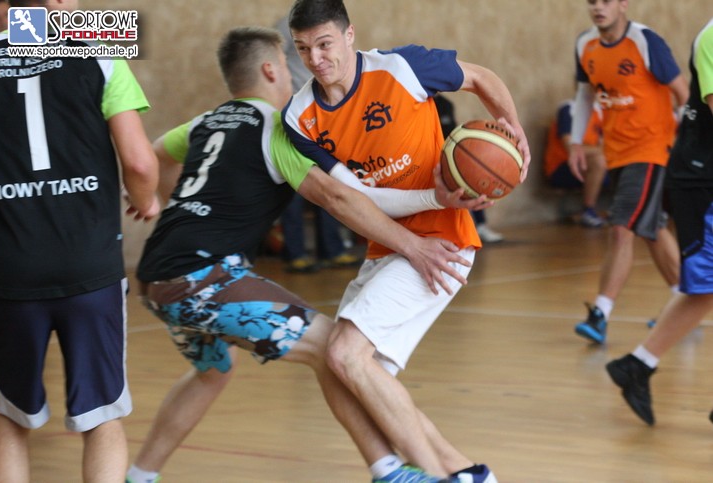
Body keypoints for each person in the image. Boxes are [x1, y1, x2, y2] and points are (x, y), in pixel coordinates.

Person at [127, 26, 493, 483]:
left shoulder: (206, 122)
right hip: (206, 279)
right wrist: (414, 242)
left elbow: (154, 155)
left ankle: (140, 475)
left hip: (156, 279)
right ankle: (393, 472)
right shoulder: (277, 129)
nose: (294, 72)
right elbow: (339, 199)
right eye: (289, 61)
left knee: (213, 370)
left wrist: (158, 203)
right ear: (270, 69)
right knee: (335, 351)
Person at [282, 0, 530, 480]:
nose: (316, 59)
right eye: (303, 48)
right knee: (356, 378)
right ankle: (468, 474)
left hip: (442, 244)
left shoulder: (402, 67)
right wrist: (434, 197)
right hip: (390, 245)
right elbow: (359, 199)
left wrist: (512, 128)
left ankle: (415, 474)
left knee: (344, 354)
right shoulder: (299, 117)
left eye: (325, 44)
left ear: (349, 35)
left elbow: (481, 78)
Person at [0, 0, 160, 480]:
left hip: (9, 270)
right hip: (91, 267)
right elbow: (139, 162)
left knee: (9, 418)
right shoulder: (99, 53)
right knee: (102, 417)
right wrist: (145, 199)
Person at [605, 17, 713, 426]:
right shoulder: (712, 37)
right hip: (702, 180)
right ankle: (637, 363)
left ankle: (637, 364)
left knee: (704, 291)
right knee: (704, 287)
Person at [569, 0, 689, 344]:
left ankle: (600, 314)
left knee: (621, 227)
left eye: (606, 1)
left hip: (652, 149)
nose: (598, 8)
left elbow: (683, 95)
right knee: (653, 229)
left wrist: (684, 145)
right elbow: (584, 97)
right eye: (592, 2)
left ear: (623, 4)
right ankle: (685, 304)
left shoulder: (645, 41)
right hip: (616, 152)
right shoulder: (585, 44)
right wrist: (576, 143)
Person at [275, 15, 360, 273]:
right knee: (295, 186)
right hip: (294, 115)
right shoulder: (286, 26)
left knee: (330, 183)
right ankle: (296, 253)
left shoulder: (332, 24)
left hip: (323, 117)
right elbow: (273, 63)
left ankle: (332, 250)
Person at [434, 93, 505, 243]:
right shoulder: (419, 102)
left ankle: (481, 225)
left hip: (450, 155)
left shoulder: (446, 103)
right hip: (430, 157)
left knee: (473, 184)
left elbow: (453, 131)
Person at [543, 98, 607, 227]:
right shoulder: (569, 109)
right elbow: (571, 148)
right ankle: (588, 211)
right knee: (599, 160)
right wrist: (604, 150)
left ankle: (623, 212)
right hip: (563, 167)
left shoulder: (600, 112)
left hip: (587, 165)